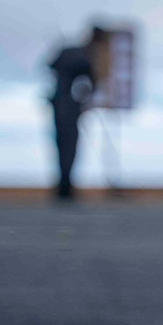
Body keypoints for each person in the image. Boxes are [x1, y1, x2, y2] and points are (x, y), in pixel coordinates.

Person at [44, 26, 102, 199]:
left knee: (63, 146)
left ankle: (64, 186)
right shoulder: (84, 56)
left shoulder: (70, 51)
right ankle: (65, 187)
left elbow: (51, 67)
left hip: (61, 104)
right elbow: (92, 82)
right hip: (68, 106)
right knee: (68, 146)